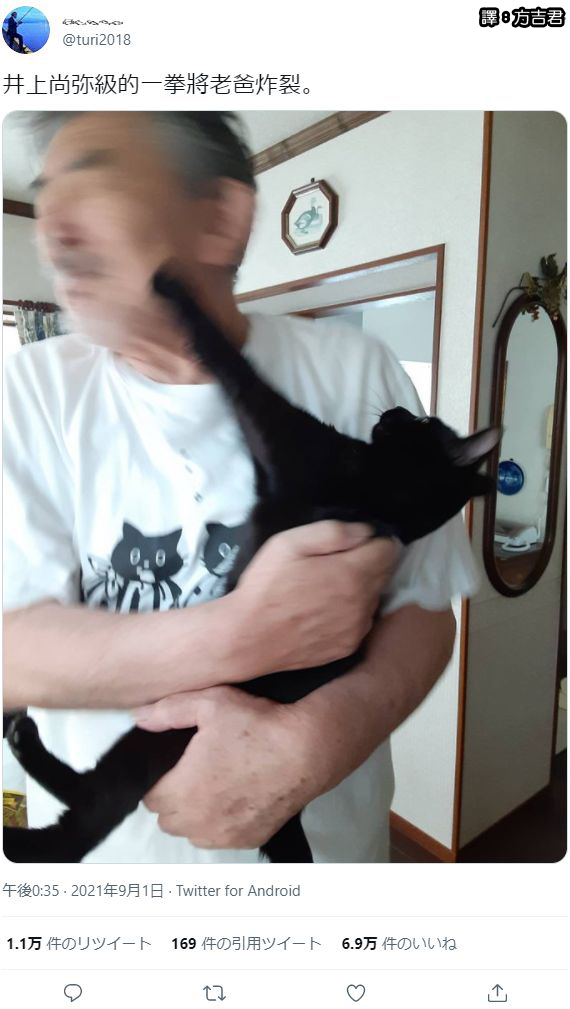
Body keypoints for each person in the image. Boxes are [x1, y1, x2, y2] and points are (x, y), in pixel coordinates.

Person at [3, 111, 479, 863]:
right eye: (45, 191)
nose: (50, 228)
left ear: (220, 218)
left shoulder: (354, 370)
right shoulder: (24, 393)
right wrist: (242, 633)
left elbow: (425, 612)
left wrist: (320, 739)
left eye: (92, 176)